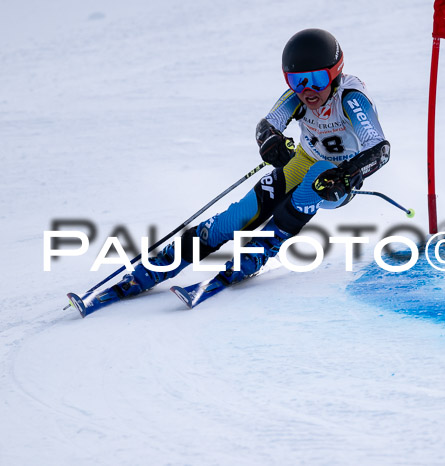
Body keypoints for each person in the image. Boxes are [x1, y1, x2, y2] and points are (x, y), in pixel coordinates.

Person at [81, 28, 390, 313]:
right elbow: (267, 125)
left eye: (317, 80)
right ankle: (159, 265)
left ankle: (260, 249)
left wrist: (350, 172)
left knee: (318, 174)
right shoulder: (297, 99)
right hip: (303, 161)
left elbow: (380, 148)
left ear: (335, 73)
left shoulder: (350, 98)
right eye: (297, 81)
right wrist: (269, 141)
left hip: (337, 179)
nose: (308, 91)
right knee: (240, 214)